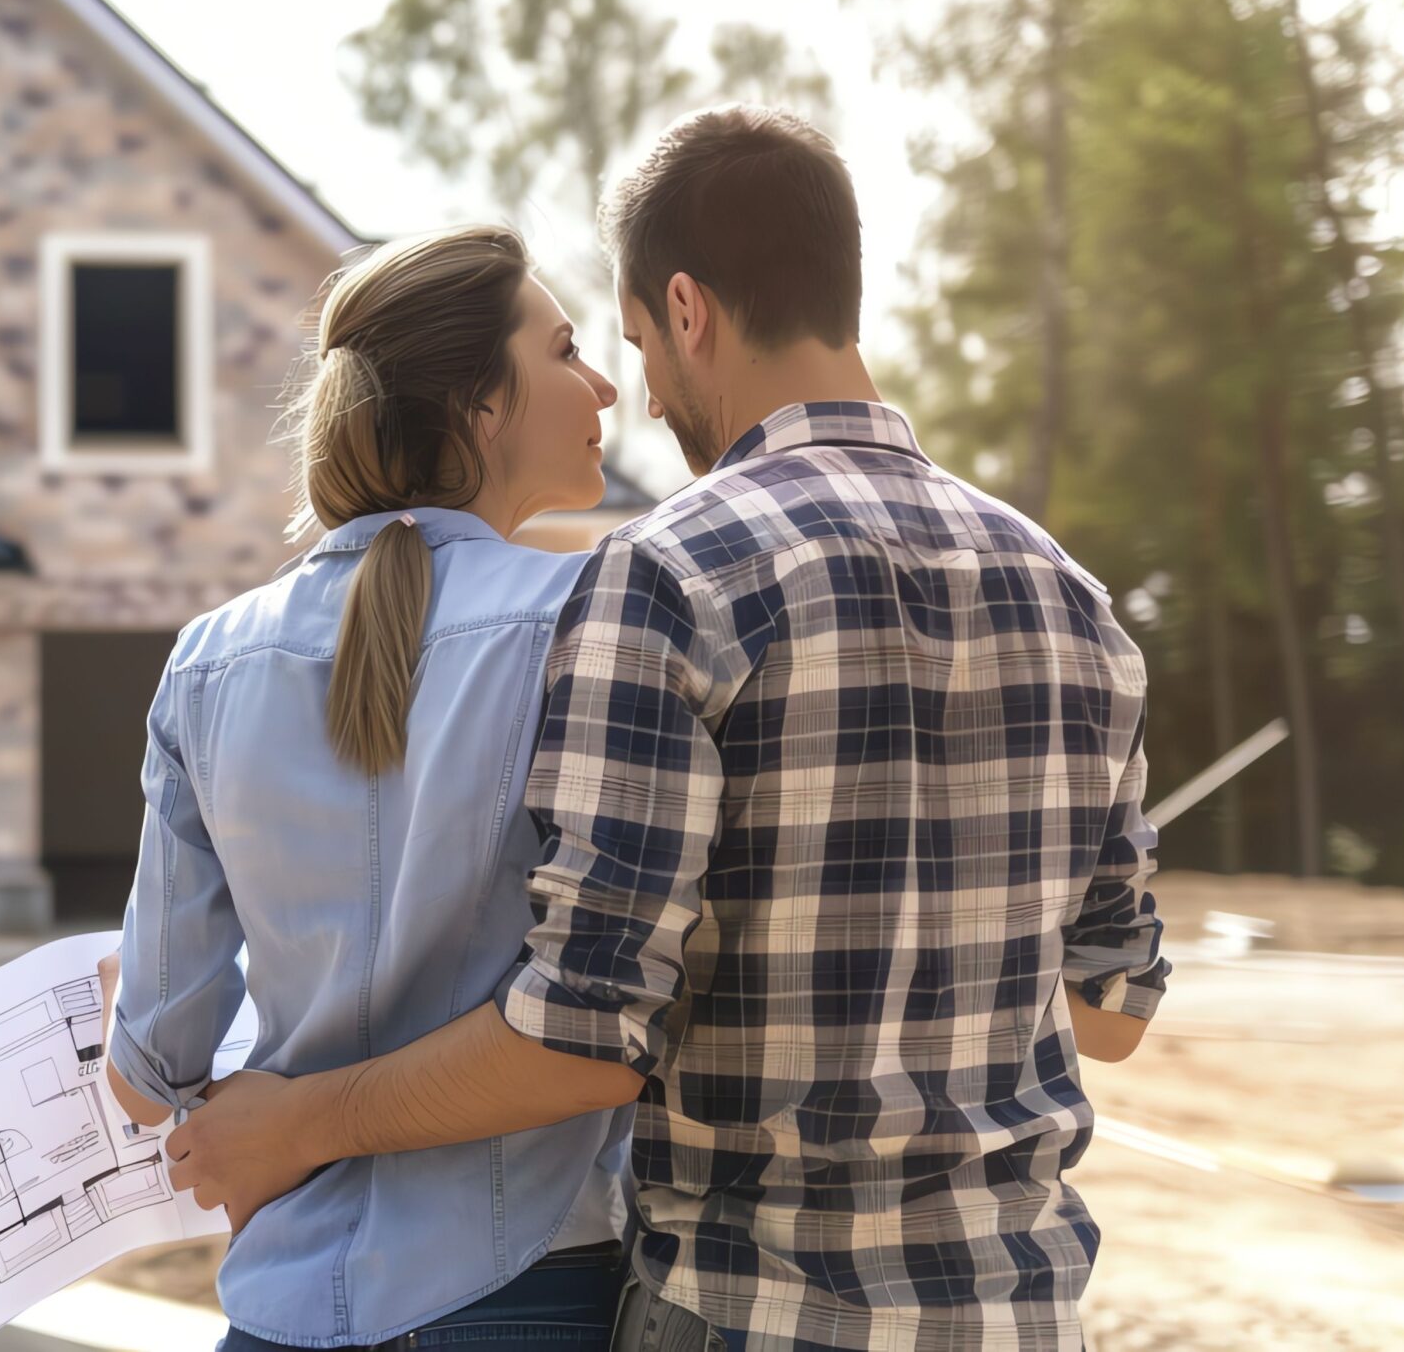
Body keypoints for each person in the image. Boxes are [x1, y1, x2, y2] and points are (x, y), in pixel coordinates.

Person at [156, 107, 1173, 1352]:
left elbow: (585, 1027)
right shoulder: (1069, 595)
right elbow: (1114, 1011)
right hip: (1014, 1312)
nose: (635, 388)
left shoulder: (671, 577)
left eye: (633, 340)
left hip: (749, 1310)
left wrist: (301, 1117)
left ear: (688, 311)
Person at [102, 225, 645, 1350]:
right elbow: (616, 1016)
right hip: (532, 1297)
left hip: (281, 1312)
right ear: (478, 407)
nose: (601, 383)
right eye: (562, 351)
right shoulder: (593, 623)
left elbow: (153, 1074)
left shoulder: (205, 661)